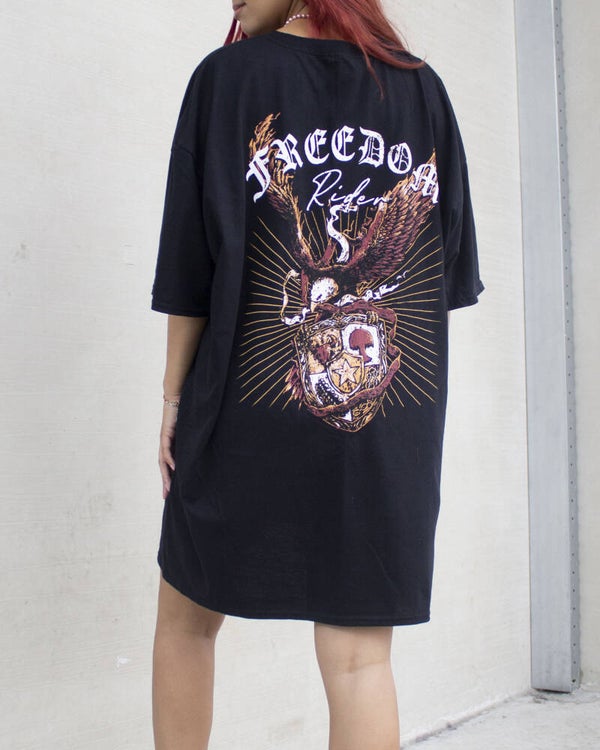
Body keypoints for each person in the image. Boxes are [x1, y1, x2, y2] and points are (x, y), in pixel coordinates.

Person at [150, 1, 484, 748]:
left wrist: (172, 399)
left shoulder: (226, 79)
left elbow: (188, 271)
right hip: (381, 437)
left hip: (241, 417)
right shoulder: (422, 90)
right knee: (362, 665)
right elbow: (447, 279)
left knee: (186, 624)